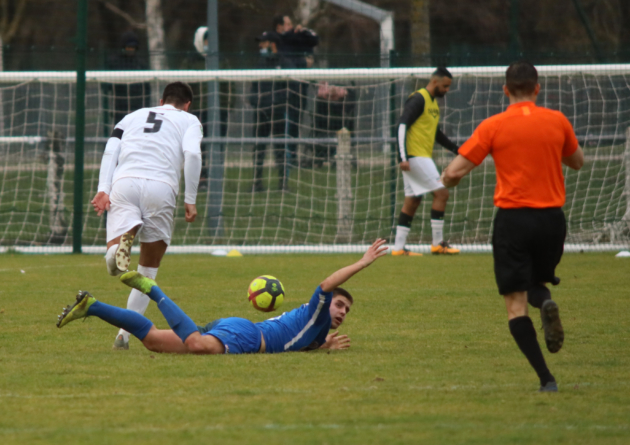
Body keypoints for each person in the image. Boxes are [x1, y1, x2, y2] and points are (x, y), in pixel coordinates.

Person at [440, 61, 584, 392]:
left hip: (514, 220)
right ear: (537, 88)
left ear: (505, 90)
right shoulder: (557, 121)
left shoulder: (494, 125)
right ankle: (545, 303)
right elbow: (577, 162)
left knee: (515, 304)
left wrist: (448, 183)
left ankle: (546, 378)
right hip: (552, 221)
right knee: (537, 282)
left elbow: (454, 172)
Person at [56, 239, 389, 355]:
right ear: (328, 304)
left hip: (239, 328)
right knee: (198, 346)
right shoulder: (318, 313)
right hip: (247, 336)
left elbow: (303, 342)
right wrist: (362, 262)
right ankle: (153, 289)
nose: (343, 311)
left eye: (347, 309)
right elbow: (326, 284)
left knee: (154, 341)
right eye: (340, 304)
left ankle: (92, 306)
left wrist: (325, 345)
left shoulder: (316, 331)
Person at [90, 82, 203, 351]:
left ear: (160, 100)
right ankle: (124, 334)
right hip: (161, 188)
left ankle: (115, 252)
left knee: (114, 262)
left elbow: (111, 150)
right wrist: (190, 199)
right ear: (187, 104)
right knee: (147, 271)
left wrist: (103, 189)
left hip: (124, 182)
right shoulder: (189, 120)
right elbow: (193, 154)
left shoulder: (132, 116)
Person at [392, 67, 461, 257]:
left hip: (419, 157)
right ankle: (438, 244)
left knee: (413, 200)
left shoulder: (433, 104)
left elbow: (436, 134)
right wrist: (402, 157)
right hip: (415, 157)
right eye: (445, 86)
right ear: (435, 81)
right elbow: (401, 125)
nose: (447, 90)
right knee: (442, 193)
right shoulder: (419, 98)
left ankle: (398, 248)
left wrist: (457, 150)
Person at [249, 31, 299, 192]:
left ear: (272, 44)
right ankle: (257, 183)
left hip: (278, 112)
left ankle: (282, 184)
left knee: (280, 148)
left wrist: (276, 100)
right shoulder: (260, 64)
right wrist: (256, 101)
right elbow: (254, 88)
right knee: (259, 148)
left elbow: (292, 88)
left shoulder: (286, 63)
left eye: (263, 42)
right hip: (261, 112)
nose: (260, 46)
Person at [103, 31, 151, 130]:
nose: (130, 50)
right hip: (120, 107)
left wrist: (146, 106)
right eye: (128, 47)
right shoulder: (114, 63)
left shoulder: (141, 64)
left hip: (138, 106)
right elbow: (105, 86)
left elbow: (147, 89)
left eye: (132, 48)